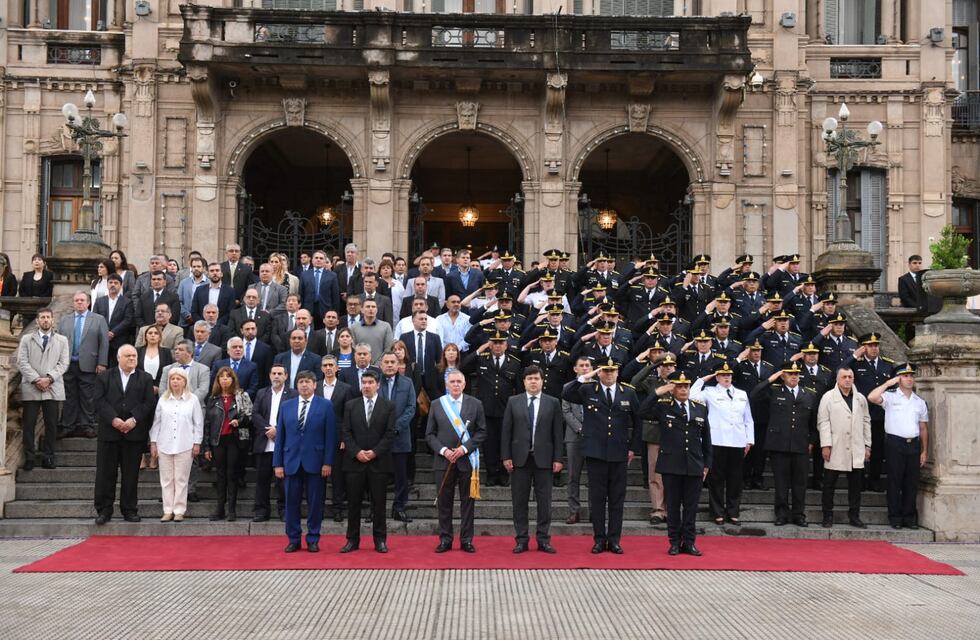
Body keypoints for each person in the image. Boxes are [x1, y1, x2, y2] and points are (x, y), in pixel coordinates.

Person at [562, 358, 643, 554]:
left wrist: (633, 447)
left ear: (617, 372)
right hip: (596, 452)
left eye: (612, 370)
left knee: (617, 499)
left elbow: (638, 421)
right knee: (597, 499)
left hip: (619, 453)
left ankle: (614, 539)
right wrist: (586, 376)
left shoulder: (628, 392)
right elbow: (567, 392)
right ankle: (599, 539)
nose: (609, 374)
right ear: (599, 372)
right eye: (605, 371)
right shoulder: (588, 389)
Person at [501, 365, 564, 554]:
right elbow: (506, 431)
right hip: (520, 460)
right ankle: (521, 539)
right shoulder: (514, 401)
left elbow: (557, 433)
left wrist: (558, 458)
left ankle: (543, 539)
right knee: (519, 502)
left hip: (544, 460)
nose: (533, 382)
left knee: (544, 503)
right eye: (529, 379)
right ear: (524, 382)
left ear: (542, 381)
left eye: (536, 378)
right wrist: (506, 456)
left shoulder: (552, 402)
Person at [274, 370, 336, 553]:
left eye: (308, 381)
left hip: (316, 462)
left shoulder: (325, 406)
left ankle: (313, 538)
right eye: (301, 382)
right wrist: (278, 463)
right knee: (291, 503)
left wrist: (328, 462)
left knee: (315, 503)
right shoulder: (287, 406)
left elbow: (330, 436)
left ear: (315, 385)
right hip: (291, 461)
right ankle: (293, 539)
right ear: (296, 385)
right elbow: (280, 438)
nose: (304, 385)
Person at [426, 369, 487, 553]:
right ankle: (445, 539)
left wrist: (463, 449)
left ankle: (466, 539)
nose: (455, 384)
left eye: (459, 381)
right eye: (452, 381)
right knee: (444, 502)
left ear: (464, 383)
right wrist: (444, 451)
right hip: (443, 461)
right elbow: (429, 435)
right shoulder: (437, 404)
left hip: (467, 460)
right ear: (446, 384)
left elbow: (482, 432)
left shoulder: (475, 404)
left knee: (467, 502)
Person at [93, 345, 155, 524]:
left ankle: (129, 509)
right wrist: (113, 419)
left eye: (134, 356)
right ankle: (104, 510)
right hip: (109, 433)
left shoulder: (145, 378)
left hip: (133, 434)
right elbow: (99, 400)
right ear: (118, 357)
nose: (132, 359)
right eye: (128, 356)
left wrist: (134, 419)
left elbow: (148, 403)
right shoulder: (105, 376)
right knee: (105, 473)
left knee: (131, 474)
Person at [651, 371, 711, 556]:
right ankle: (675, 542)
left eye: (686, 386)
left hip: (694, 463)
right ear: (673, 388)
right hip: (672, 464)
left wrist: (707, 464)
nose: (683, 389)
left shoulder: (699, 407)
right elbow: (642, 411)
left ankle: (690, 542)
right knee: (674, 507)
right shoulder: (664, 407)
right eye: (679, 386)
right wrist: (659, 392)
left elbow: (706, 438)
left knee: (691, 507)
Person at [752, 362, 818, 527]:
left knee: (800, 483)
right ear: (783, 376)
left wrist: (811, 442)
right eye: (790, 374)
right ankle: (781, 514)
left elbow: (815, 423)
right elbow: (754, 394)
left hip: (800, 444)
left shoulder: (808, 394)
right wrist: (772, 378)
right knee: (781, 482)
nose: (794, 376)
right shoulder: (774, 391)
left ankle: (798, 514)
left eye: (796, 374)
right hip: (779, 445)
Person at [689, 360, 753, 526]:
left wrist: (749, 440)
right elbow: (691, 394)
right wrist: (705, 378)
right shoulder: (709, 392)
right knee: (716, 479)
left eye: (729, 375)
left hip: (737, 441)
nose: (726, 378)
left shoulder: (741, 394)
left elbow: (748, 419)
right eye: (723, 375)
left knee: (735, 479)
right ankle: (717, 512)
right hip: (717, 441)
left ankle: (733, 512)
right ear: (717, 377)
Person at [340, 370, 396, 553]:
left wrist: (374, 452)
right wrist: (356, 452)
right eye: (363, 382)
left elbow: (389, 434)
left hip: (378, 463)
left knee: (379, 504)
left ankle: (380, 540)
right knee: (353, 504)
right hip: (355, 463)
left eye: (370, 382)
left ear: (378, 384)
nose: (366, 386)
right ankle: (352, 540)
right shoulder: (350, 405)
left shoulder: (388, 406)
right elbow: (346, 432)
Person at [868, 364, 930, 529]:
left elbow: (923, 428)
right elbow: (872, 397)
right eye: (905, 376)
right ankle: (895, 517)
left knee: (911, 482)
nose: (909, 379)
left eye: (911, 376)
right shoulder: (890, 396)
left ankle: (909, 517)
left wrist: (924, 450)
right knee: (895, 482)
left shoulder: (919, 402)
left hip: (913, 444)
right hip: (895, 443)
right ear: (898, 379)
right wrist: (888, 383)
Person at [816, 366, 872, 528]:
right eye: (844, 377)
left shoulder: (860, 399)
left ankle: (854, 515)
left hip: (856, 447)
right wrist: (826, 444)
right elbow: (823, 421)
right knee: (829, 484)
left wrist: (867, 445)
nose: (847, 379)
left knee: (855, 485)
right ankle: (827, 515)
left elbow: (866, 421)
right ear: (837, 379)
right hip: (836, 446)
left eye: (850, 376)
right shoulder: (828, 397)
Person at [16, 308, 70, 470]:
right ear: (38, 321)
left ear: (53, 320)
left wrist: (49, 378)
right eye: (42, 317)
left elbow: (64, 363)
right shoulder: (26, 339)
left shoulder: (62, 340)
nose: (45, 320)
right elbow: (21, 362)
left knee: (51, 425)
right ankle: (30, 458)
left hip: (52, 388)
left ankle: (49, 457)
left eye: (48, 317)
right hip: (31, 387)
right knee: (29, 425)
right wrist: (36, 379)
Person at [149, 368, 204, 522]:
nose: (175, 381)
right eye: (172, 379)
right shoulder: (163, 400)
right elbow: (157, 423)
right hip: (164, 443)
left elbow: (198, 423)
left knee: (181, 478)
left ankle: (179, 510)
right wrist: (153, 442)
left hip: (185, 444)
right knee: (166, 479)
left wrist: (197, 443)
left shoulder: (192, 399)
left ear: (185, 381)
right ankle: (167, 510)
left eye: (178, 379)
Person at [203, 367, 253, 521]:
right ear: (217, 380)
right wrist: (206, 447)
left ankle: (231, 509)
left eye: (228, 377)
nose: (225, 379)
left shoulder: (241, 396)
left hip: (234, 439)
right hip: (217, 441)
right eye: (221, 377)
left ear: (233, 379)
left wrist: (239, 421)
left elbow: (250, 416)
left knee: (232, 474)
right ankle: (220, 509)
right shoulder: (212, 399)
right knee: (220, 475)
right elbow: (208, 424)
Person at [57, 291, 109, 439]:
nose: (79, 302)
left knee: (88, 397)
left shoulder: (98, 319)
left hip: (89, 364)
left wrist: (102, 362)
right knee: (69, 397)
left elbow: (104, 343)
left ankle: (87, 426)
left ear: (88, 303)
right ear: (73, 303)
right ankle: (68, 425)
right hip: (68, 364)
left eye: (82, 300)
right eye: (76, 300)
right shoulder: (65, 320)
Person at [251, 364, 298, 523]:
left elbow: (294, 416)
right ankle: (261, 511)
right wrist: (268, 430)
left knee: (283, 481)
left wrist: (277, 430)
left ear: (286, 376)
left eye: (280, 373)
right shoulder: (261, 393)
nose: (276, 376)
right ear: (270, 376)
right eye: (274, 373)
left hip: (283, 444)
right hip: (264, 443)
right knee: (262, 480)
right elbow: (255, 413)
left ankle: (284, 509)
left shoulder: (293, 394)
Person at [377, 351, 417, 524]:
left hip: (400, 437)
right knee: (377, 477)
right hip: (378, 437)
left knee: (401, 477)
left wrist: (395, 427)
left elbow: (411, 408)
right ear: (381, 365)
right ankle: (376, 510)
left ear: (398, 364)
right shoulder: (374, 382)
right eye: (386, 362)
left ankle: (399, 507)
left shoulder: (407, 383)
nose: (390, 365)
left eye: (393, 362)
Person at [561, 356, 592, 525]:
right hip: (574, 436)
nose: (585, 368)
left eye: (588, 365)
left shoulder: (597, 386)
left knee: (595, 476)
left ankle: (595, 511)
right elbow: (566, 412)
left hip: (595, 437)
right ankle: (574, 511)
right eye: (582, 365)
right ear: (575, 369)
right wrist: (580, 428)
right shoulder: (568, 387)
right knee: (573, 476)